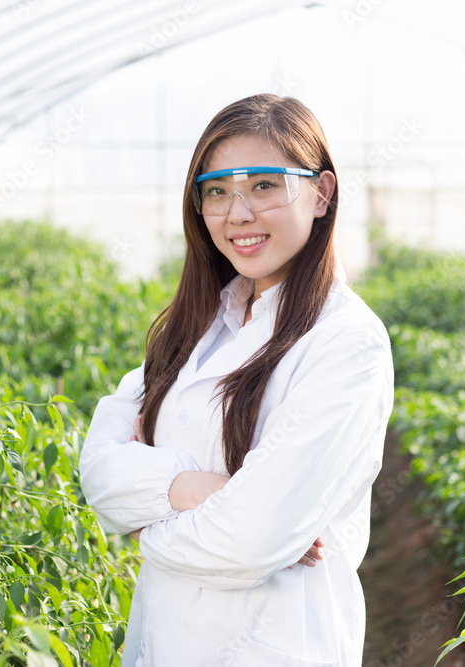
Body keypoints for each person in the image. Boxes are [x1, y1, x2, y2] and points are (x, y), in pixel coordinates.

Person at [78, 93, 394, 667]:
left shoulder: (347, 343)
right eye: (217, 190)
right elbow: (99, 470)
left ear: (321, 194)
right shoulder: (197, 325)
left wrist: (139, 527)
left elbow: (247, 542)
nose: (237, 213)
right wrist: (198, 490)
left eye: (265, 186)